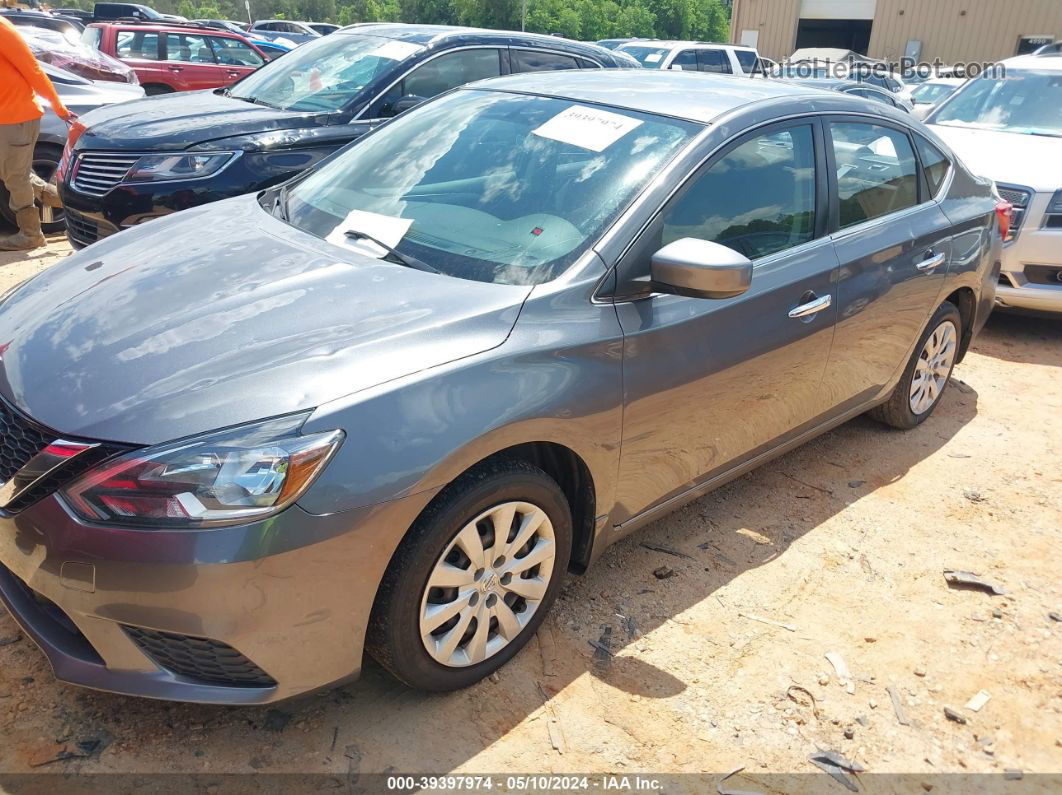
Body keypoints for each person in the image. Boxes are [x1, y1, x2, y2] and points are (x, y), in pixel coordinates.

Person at [0, 15, 74, 251]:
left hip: (16, 117)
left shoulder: (1, 28)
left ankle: (31, 234)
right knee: (14, 174)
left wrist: (58, 106)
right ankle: (77, 203)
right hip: (6, 118)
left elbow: (31, 68)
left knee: (15, 177)